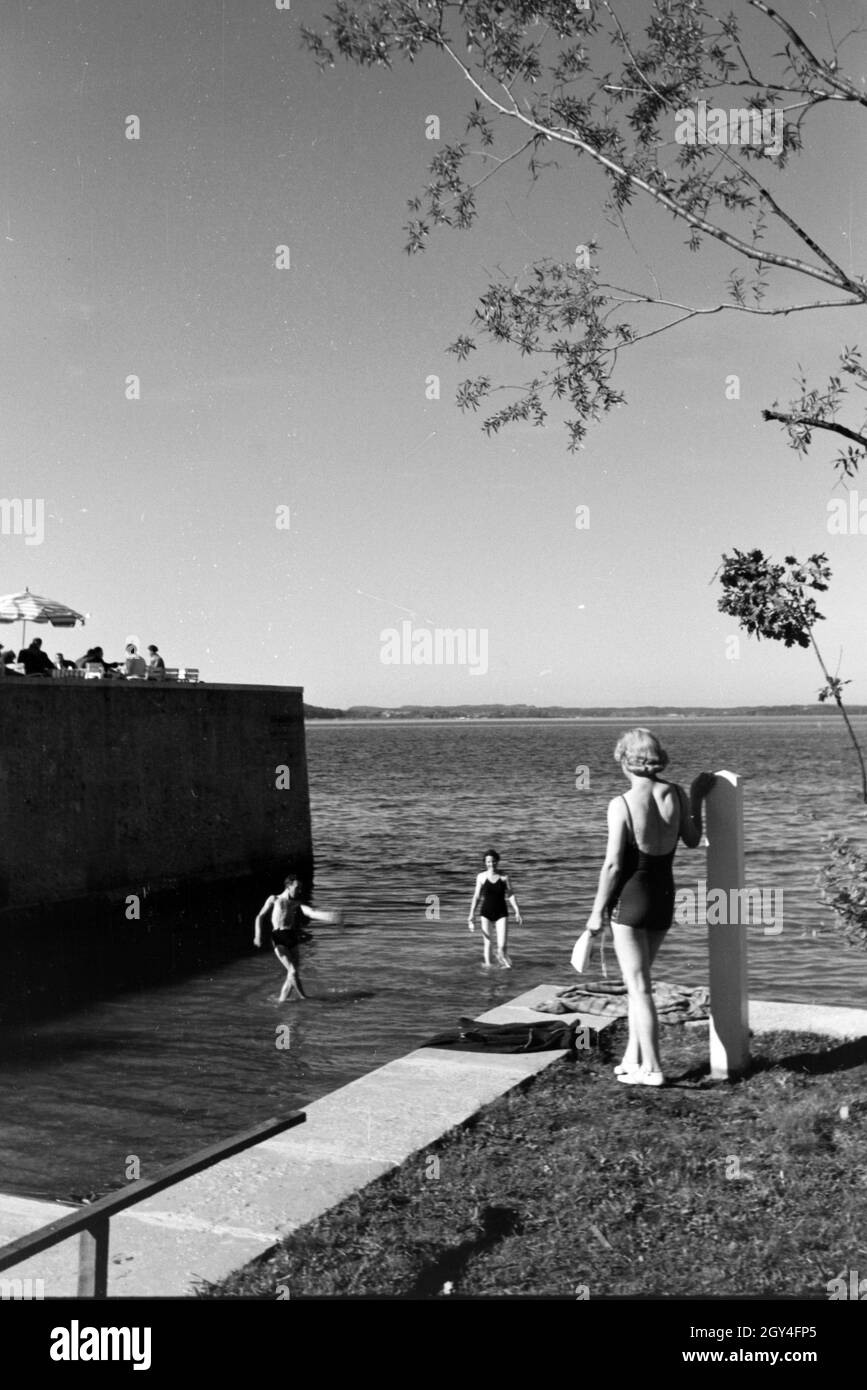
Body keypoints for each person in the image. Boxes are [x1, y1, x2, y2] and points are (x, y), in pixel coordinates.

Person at [585, 729, 714, 1088]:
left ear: (626, 761)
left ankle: (653, 1068)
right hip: (664, 895)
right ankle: (632, 1058)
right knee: (637, 982)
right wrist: (697, 797)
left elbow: (612, 866)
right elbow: (691, 840)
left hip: (632, 897)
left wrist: (596, 913)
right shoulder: (675, 793)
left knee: (638, 988)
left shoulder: (621, 804)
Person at [253, 872, 342, 1002]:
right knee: (293, 971)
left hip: (292, 937)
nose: (299, 890)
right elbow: (259, 916)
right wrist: (257, 935)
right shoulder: (274, 899)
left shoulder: (296, 903)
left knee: (292, 974)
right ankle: (304, 998)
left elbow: (311, 913)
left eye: (300, 888)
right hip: (278, 937)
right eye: (297, 887)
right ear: (288, 886)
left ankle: (281, 1001)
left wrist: (330, 916)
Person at [468, 849, 523, 968]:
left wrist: (517, 911)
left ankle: (503, 963)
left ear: (497, 861)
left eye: (493, 861)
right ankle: (488, 967)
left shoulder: (504, 877)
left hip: (501, 913)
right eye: (488, 862)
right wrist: (471, 913)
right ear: (485, 863)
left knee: (502, 945)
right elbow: (476, 896)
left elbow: (511, 894)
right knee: (487, 943)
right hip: (486, 913)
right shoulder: (481, 877)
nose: (491, 864)